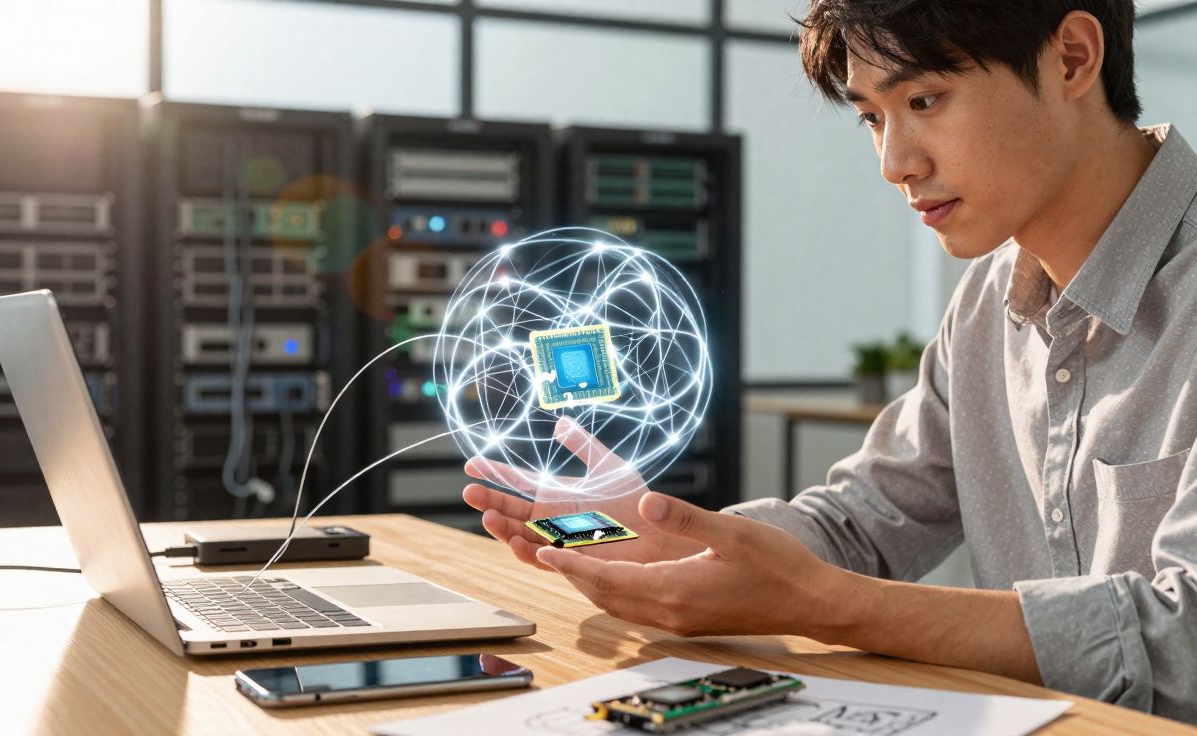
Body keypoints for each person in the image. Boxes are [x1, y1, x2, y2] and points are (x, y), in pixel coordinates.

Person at [462, 0, 1197, 722]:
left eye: (925, 99)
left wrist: (823, 605)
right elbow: (864, 524)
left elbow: (1182, 639)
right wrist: (676, 535)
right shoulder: (986, 302)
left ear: (1072, 57)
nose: (893, 163)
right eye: (873, 118)